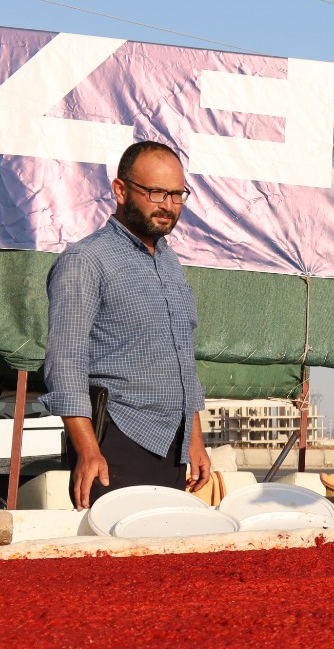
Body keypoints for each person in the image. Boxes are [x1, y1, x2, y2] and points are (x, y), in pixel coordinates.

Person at [44, 140, 210, 509]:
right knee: (115, 561)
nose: (167, 205)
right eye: (155, 192)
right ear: (120, 190)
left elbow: (184, 359)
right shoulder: (86, 261)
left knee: (162, 559)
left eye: (177, 194)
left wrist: (194, 440)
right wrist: (87, 451)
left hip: (174, 446)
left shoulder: (170, 264)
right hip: (116, 442)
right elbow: (65, 364)